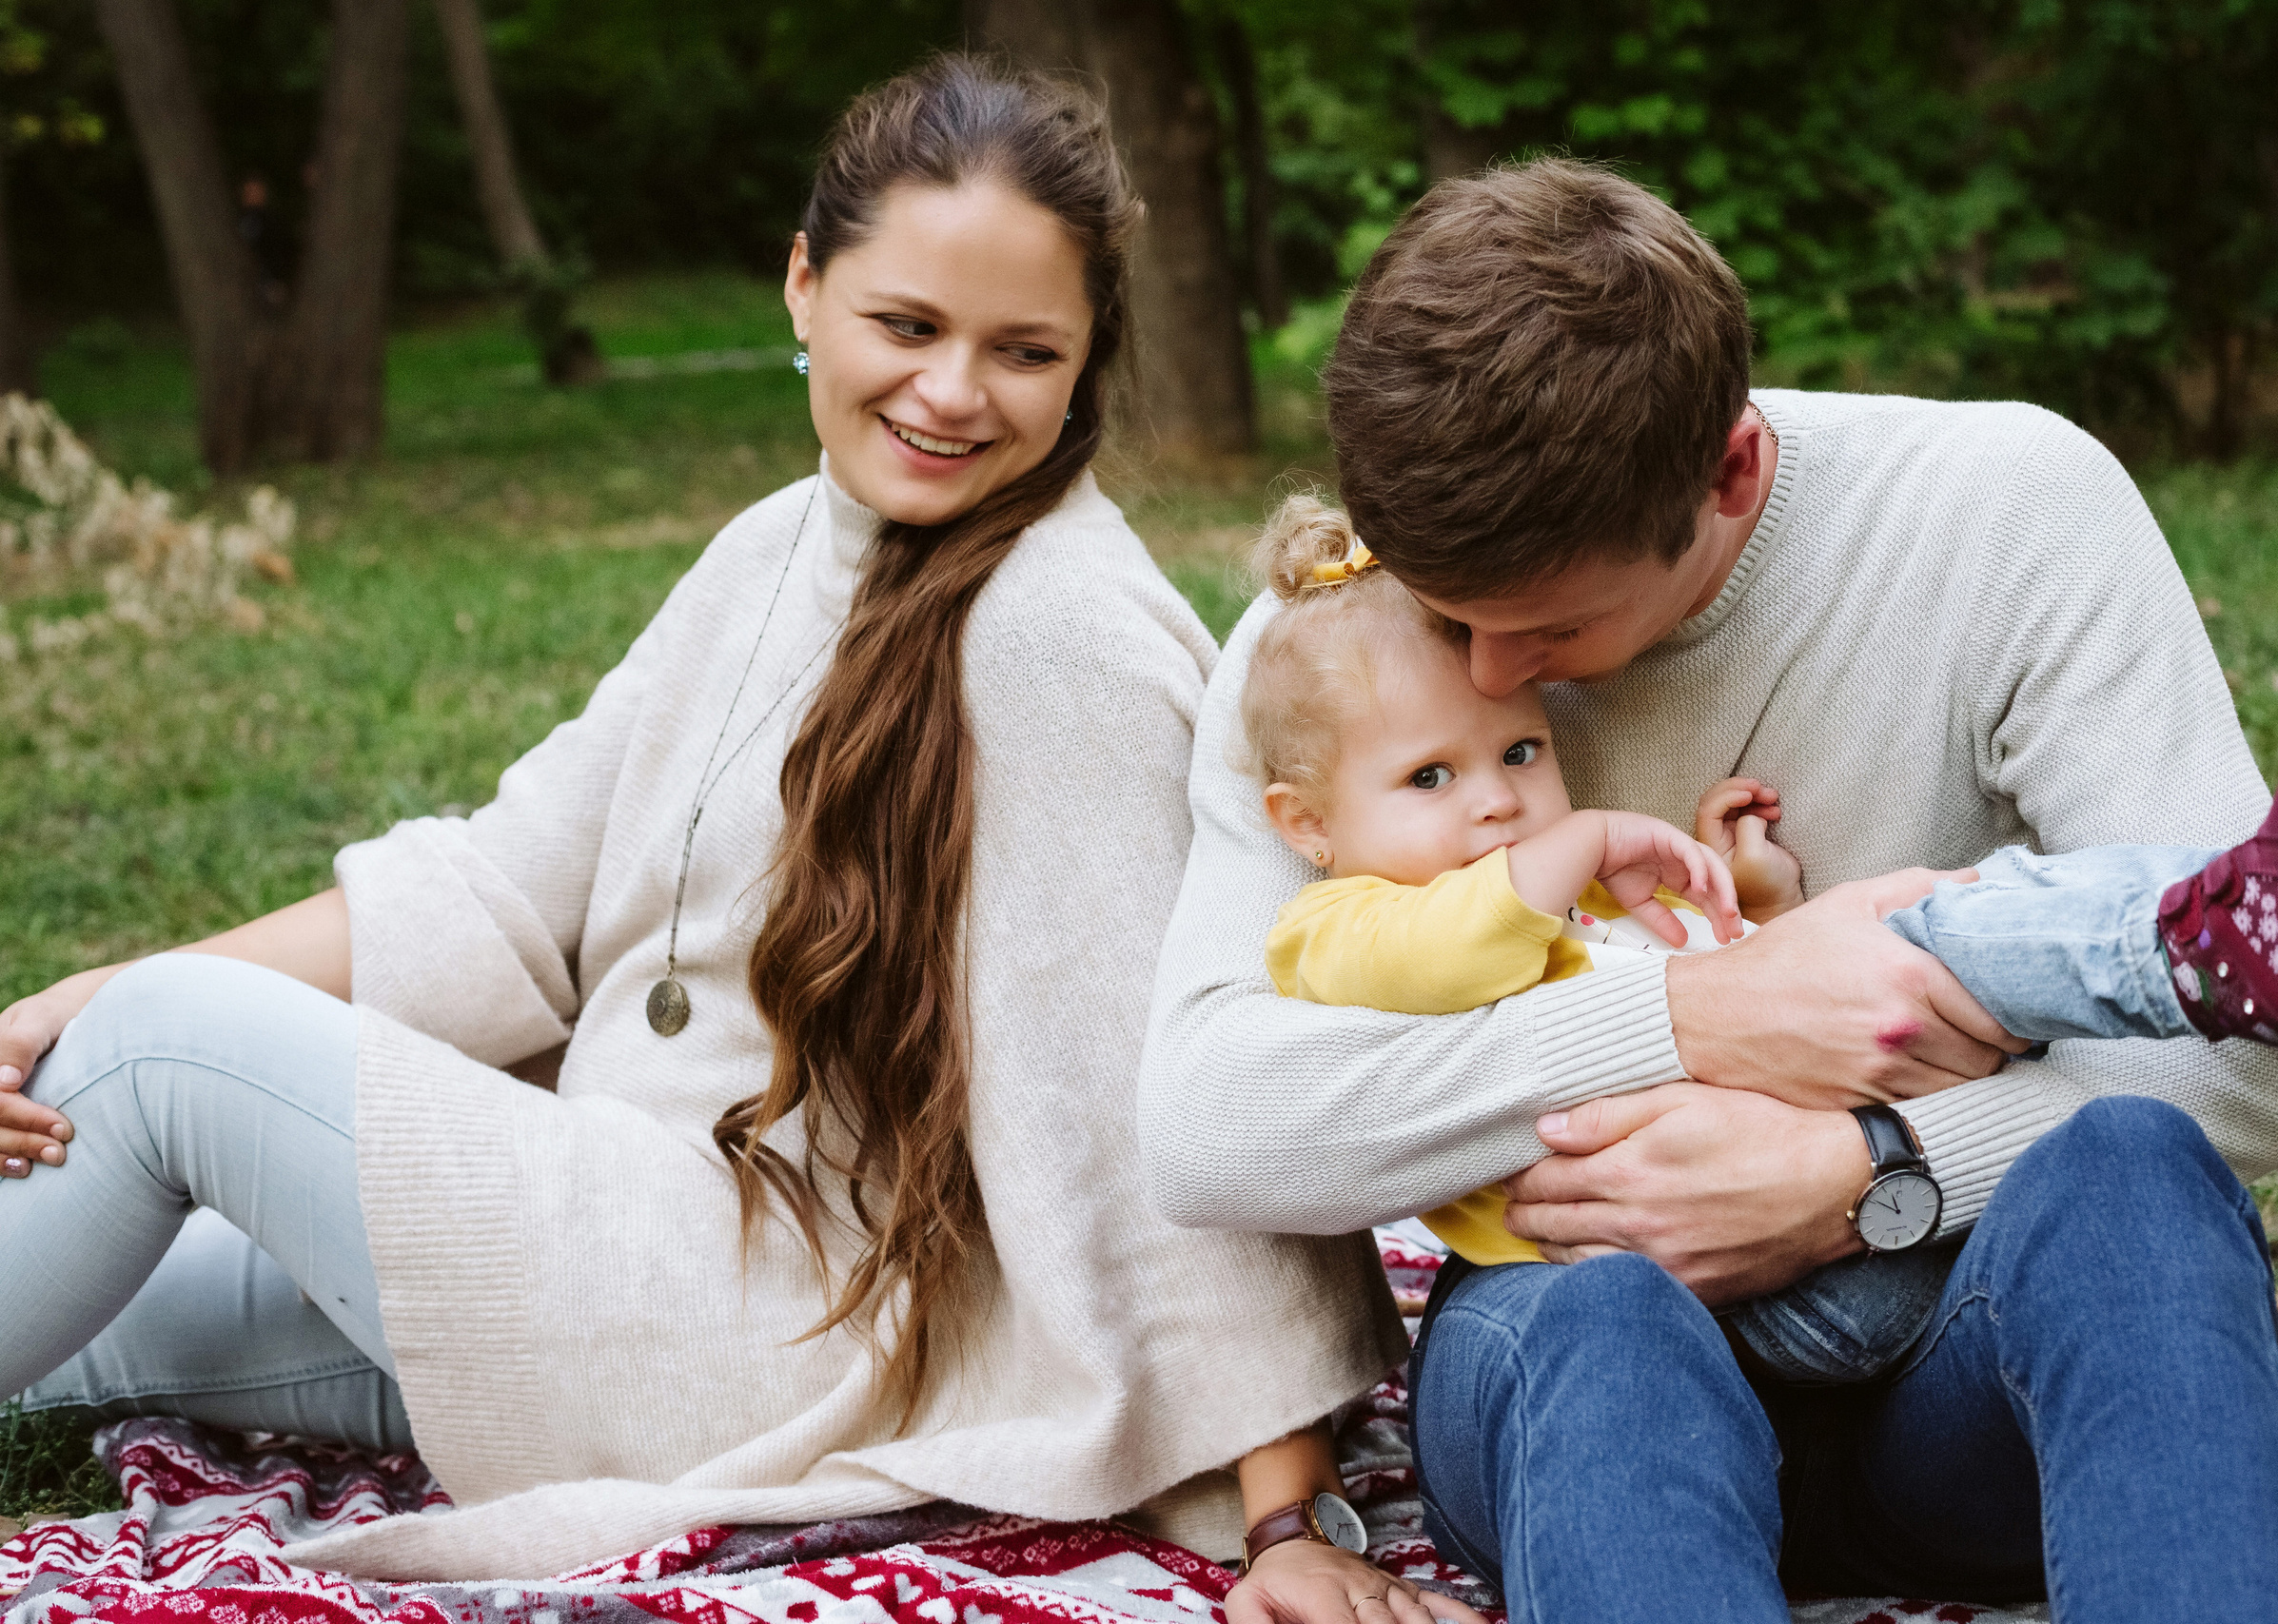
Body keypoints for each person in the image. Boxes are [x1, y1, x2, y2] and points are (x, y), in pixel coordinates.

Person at [0, 60, 1456, 1618]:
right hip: (612, 1257)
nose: (954, 391)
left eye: (1023, 349)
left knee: (161, 1048)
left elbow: (1164, 1098)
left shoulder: (1058, 637)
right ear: (805, 286)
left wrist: (1292, 1524)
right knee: (97, 1294)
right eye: (908, 326)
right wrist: (49, 1008)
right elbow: (502, 886)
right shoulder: (781, 540)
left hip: (754, 1326)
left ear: (1088, 356)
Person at [1138, 157, 2278, 1620]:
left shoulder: (2008, 516)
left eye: (1546, 627)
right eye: (1452, 616)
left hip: (1949, 1359)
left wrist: (1867, 1173)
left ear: (1729, 471)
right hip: (1585, 1362)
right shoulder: (1337, 643)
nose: (1490, 688)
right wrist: (1701, 1014)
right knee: (1607, 1322)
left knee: (2135, 1174)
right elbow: (1206, 1119)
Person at [1237, 493, 2278, 1383]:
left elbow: (1740, 1012)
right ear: (1310, 825)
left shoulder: (1569, 908)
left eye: (1520, 755)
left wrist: (1749, 910)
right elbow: (1442, 962)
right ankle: (2225, 928)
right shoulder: (1334, 928)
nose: (1494, 800)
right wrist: (1579, 839)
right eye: (1430, 775)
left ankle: (2234, 924)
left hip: (1857, 1243)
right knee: (1930, 936)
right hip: (1700, 1311)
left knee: (1934, 918)